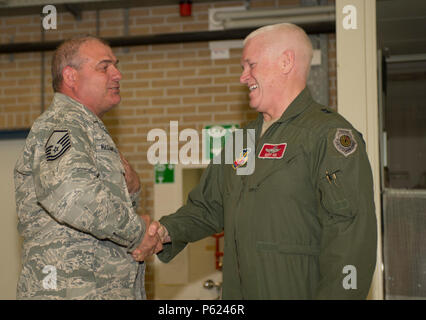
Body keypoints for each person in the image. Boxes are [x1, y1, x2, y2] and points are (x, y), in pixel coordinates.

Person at [133, 23, 378, 299]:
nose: (242, 77)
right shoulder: (243, 140)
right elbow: (207, 207)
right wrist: (164, 231)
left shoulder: (328, 135)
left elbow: (350, 238)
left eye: (250, 65)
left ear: (286, 62)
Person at [14, 35, 161, 299]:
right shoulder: (62, 124)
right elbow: (73, 196)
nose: (117, 74)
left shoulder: (88, 129)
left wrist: (133, 188)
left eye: (115, 65)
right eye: (104, 67)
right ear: (70, 76)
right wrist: (138, 232)